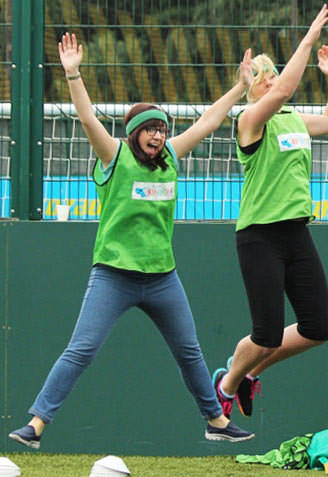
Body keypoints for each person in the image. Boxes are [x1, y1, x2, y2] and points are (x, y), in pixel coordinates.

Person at [8, 33, 254, 449]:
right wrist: (73, 74)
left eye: (162, 130)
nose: (158, 137)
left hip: (162, 278)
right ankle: (36, 424)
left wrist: (241, 88)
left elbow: (209, 121)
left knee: (190, 352)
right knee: (80, 350)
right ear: (135, 134)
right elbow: (88, 120)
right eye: (150, 131)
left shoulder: (171, 159)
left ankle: (215, 420)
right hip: (113, 276)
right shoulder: (114, 157)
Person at [211, 5, 328, 420]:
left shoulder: (292, 120)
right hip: (260, 235)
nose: (272, 85)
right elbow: (284, 91)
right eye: (264, 80)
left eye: (274, 78)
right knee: (265, 334)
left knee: (317, 327)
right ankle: (228, 382)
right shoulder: (251, 121)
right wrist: (308, 38)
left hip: (295, 233)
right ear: (253, 92)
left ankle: (248, 377)